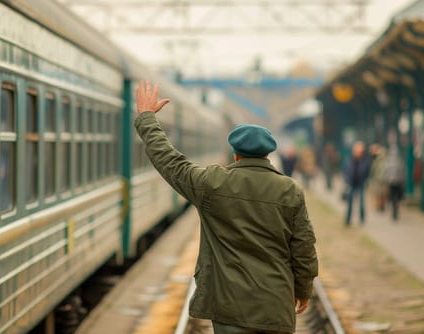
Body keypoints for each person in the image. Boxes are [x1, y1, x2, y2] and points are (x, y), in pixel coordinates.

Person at [134, 81, 318, 334]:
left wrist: (147, 119)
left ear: (235, 154)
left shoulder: (213, 184)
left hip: (230, 308)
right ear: (267, 154)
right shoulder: (290, 190)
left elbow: (170, 162)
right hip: (276, 305)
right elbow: (304, 251)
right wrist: (303, 291)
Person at [343, 141, 371, 226]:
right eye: (357, 150)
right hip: (351, 183)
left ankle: (362, 219)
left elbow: (367, 172)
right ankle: (348, 220)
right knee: (350, 202)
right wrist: (347, 180)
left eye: (360, 151)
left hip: (360, 183)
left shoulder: (365, 161)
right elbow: (345, 170)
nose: (358, 153)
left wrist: (365, 180)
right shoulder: (349, 159)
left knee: (361, 202)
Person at [381, 146, 405, 220]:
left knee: (392, 195)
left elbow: (385, 171)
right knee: (397, 196)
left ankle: (393, 208)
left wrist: (386, 179)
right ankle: (395, 208)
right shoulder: (399, 161)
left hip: (391, 182)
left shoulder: (388, 161)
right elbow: (403, 171)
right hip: (398, 182)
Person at [368, 144, 387, 212]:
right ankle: (380, 206)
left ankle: (380, 206)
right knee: (380, 193)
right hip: (379, 178)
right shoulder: (374, 158)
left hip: (379, 178)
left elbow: (373, 168)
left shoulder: (377, 159)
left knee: (380, 193)